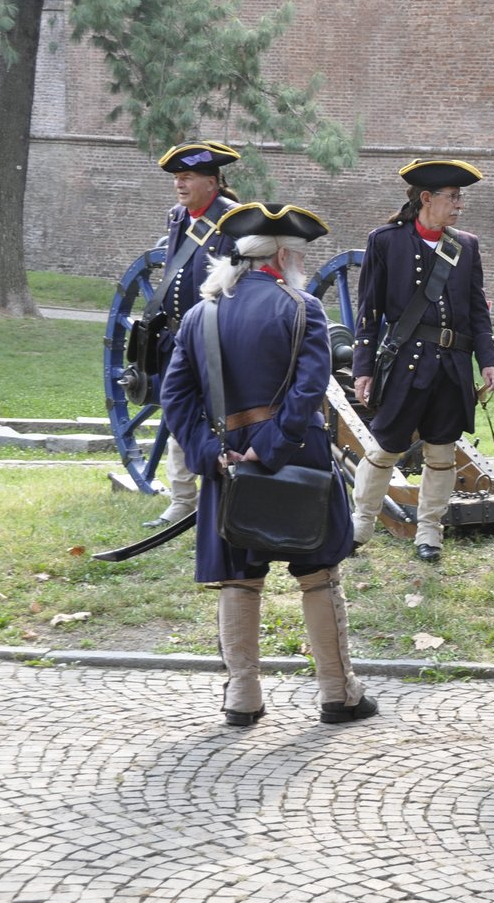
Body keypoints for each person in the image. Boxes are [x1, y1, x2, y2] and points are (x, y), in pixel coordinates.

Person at [159, 201, 378, 727]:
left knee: (239, 578)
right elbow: (307, 393)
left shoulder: (199, 314)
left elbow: (175, 397)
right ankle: (337, 693)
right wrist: (271, 447)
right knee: (319, 574)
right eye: (298, 254)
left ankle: (243, 697)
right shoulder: (303, 308)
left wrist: (214, 454)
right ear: (282, 256)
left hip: (226, 465)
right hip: (297, 456)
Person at [350, 159, 494, 562]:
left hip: (451, 368)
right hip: (405, 364)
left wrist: (488, 361)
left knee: (441, 453)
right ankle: (360, 524)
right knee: (385, 448)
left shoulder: (465, 245)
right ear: (426, 199)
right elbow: (369, 311)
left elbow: (477, 310)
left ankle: (429, 532)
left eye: (459, 198)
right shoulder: (385, 241)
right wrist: (364, 368)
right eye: (452, 198)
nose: (459, 205)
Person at [143, 141, 242, 528]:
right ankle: (182, 498)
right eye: (177, 178)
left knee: (222, 418)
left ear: (212, 182)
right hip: (179, 338)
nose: (179, 185)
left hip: (219, 338)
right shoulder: (177, 216)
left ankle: (221, 498)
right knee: (178, 413)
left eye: (187, 177)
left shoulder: (234, 220)